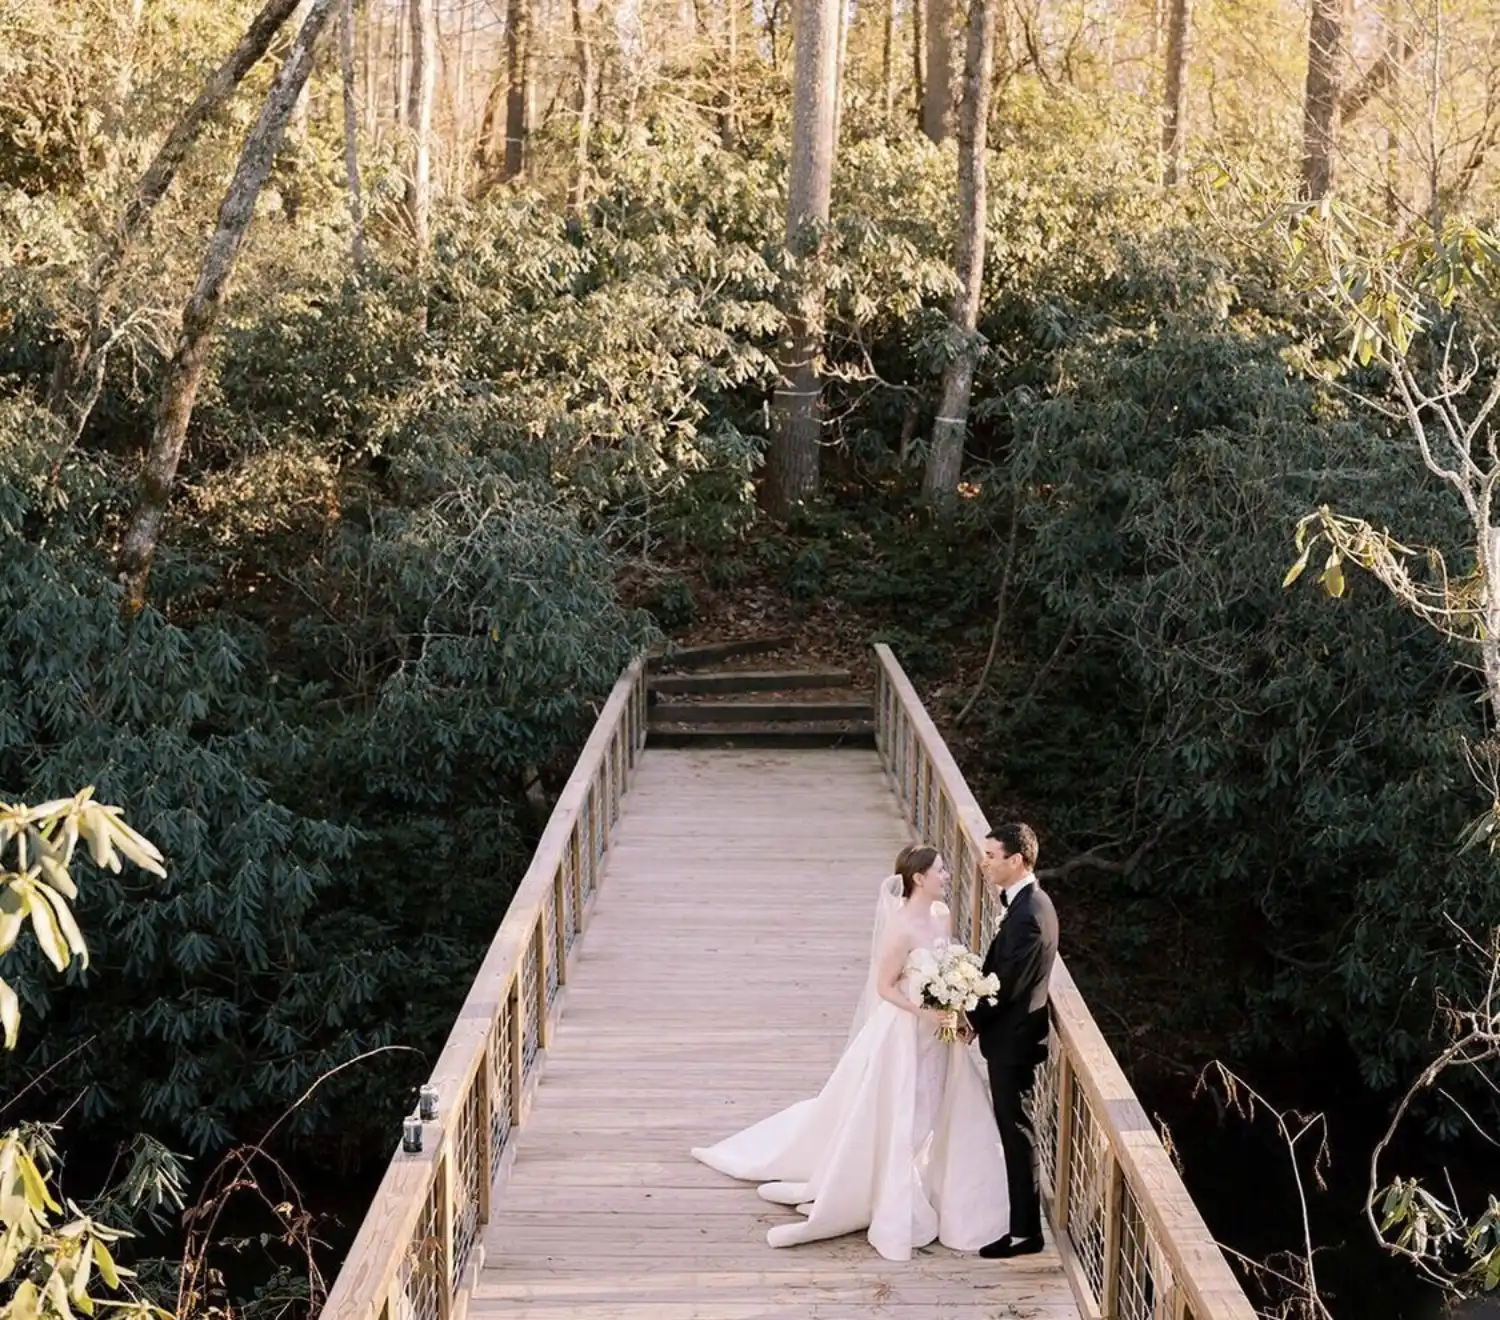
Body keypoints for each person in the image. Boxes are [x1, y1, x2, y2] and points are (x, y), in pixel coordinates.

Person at [690, 844, 1009, 1261]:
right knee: (904, 1111)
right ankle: (890, 1190)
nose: (947, 875)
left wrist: (957, 1006)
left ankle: (942, 1189)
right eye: (940, 870)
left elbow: (947, 968)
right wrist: (924, 1012)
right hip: (908, 1032)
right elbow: (885, 987)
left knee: (938, 1105)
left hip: (943, 1033)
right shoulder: (901, 927)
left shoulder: (941, 915)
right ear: (918, 879)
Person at [965, 822, 1059, 1260]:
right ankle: (1022, 1226)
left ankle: (1026, 1233)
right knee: (1013, 1128)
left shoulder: (1030, 917)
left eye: (991, 856)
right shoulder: (1025, 905)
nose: (983, 864)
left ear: (1016, 861)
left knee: (1017, 1131)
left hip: (1013, 1042)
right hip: (1010, 1037)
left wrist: (969, 1018)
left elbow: (1006, 985)